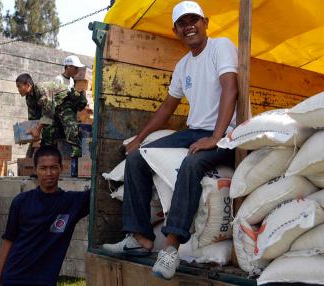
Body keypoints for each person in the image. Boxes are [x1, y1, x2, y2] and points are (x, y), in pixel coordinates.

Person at [102, 1, 238, 280]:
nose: (189, 26)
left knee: (191, 163)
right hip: (195, 131)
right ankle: (140, 238)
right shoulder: (183, 65)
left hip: (225, 133)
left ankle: (172, 249)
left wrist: (216, 136)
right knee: (138, 158)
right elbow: (166, 108)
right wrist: (139, 140)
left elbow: (230, 88)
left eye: (194, 20)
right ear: (175, 30)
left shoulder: (221, 47)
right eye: (182, 23)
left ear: (206, 22)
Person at [0, 145, 90, 286]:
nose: (49, 173)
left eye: (53, 167)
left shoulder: (72, 202)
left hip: (45, 279)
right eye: (43, 168)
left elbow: (102, 187)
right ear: (35, 170)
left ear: (62, 168)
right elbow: (9, 239)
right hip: (14, 276)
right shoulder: (21, 201)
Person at [16, 55, 88, 158]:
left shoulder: (40, 89)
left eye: (19, 86)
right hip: (56, 106)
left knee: (68, 121)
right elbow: (34, 119)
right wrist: (27, 136)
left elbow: (48, 112)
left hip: (66, 101)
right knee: (48, 132)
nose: (18, 89)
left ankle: (76, 148)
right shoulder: (29, 98)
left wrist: (37, 129)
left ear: (28, 85)